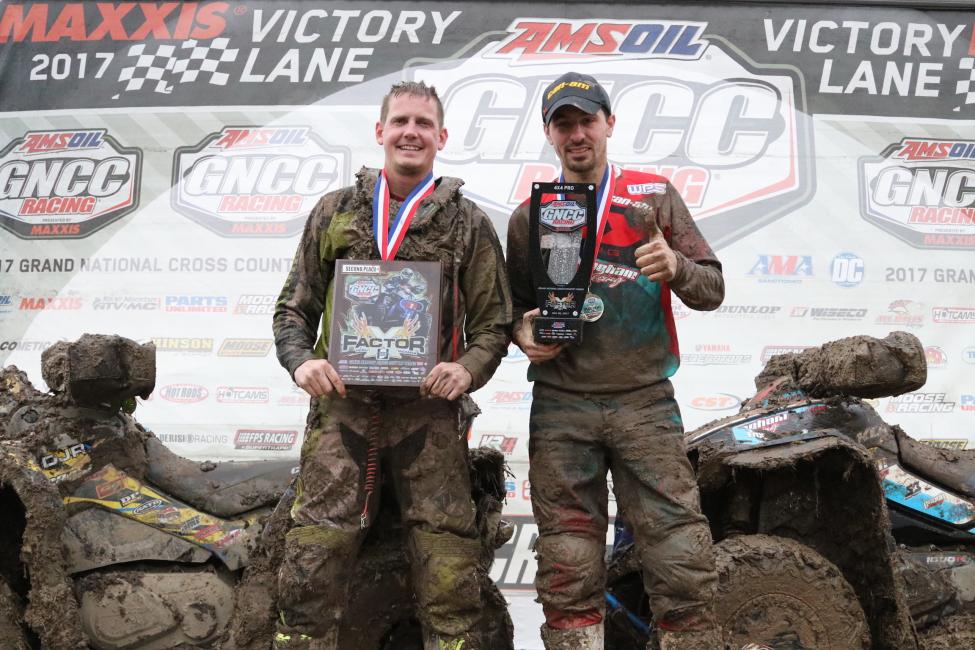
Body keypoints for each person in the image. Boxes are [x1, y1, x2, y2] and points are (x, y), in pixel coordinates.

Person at [272, 80, 512, 650]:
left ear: (441, 137)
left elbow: (494, 325)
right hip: (342, 418)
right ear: (380, 132)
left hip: (429, 421)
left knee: (450, 574)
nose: (412, 132)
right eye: (401, 121)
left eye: (424, 124)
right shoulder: (335, 211)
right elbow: (293, 309)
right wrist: (301, 363)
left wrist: (467, 371)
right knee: (310, 568)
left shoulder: (467, 223)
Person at [506, 72, 726, 650]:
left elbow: (712, 289)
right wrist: (523, 331)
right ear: (550, 134)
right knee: (566, 559)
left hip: (645, 401)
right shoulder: (531, 216)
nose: (578, 134)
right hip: (561, 406)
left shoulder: (654, 198)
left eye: (587, 120)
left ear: (609, 123)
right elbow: (515, 309)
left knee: (679, 553)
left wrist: (677, 268)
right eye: (564, 124)